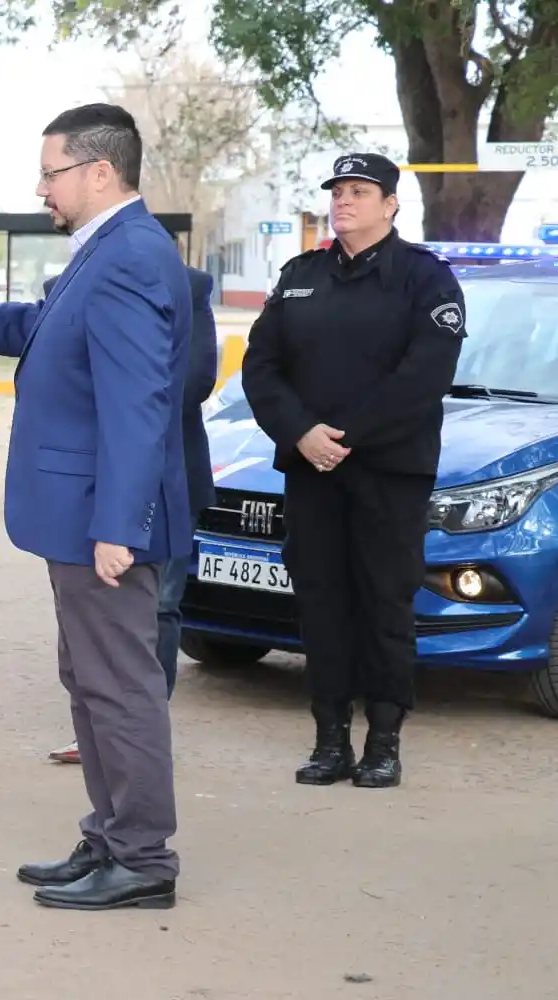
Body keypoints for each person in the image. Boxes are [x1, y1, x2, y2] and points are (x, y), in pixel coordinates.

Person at [0, 103, 190, 911]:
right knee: (92, 679)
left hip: (102, 520)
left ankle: (141, 858)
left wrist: (119, 527)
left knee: (120, 686)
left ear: (100, 172)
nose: (41, 189)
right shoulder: (107, 248)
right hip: (81, 514)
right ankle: (111, 835)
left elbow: (137, 405)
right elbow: (47, 328)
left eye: (50, 172)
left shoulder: (129, 256)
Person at [240, 152, 465, 790]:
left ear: (391, 205)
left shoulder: (425, 278)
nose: (343, 201)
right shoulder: (301, 275)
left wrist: (346, 437)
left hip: (389, 474)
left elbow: (424, 376)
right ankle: (330, 741)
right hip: (313, 472)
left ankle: (384, 741)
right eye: (338, 191)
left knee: (385, 605)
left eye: (359, 191)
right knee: (322, 605)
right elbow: (261, 366)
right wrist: (301, 432)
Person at [50, 263, 217, 764]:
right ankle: (98, 729)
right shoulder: (68, 285)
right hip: (89, 485)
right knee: (88, 613)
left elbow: (194, 381)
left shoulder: (189, 286)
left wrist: (122, 401)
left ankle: (145, 733)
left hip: (168, 479)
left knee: (159, 608)